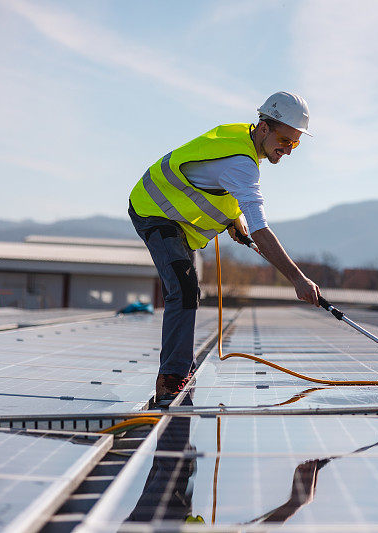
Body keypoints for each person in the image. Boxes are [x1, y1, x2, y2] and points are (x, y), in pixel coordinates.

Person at [128, 91, 322, 406]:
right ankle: (170, 382)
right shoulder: (243, 163)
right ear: (263, 128)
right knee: (183, 288)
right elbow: (260, 228)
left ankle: (179, 371)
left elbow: (216, 181)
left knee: (190, 291)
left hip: (177, 222)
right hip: (153, 211)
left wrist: (233, 218)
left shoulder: (241, 139)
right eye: (285, 140)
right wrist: (298, 279)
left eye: (295, 144)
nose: (288, 150)